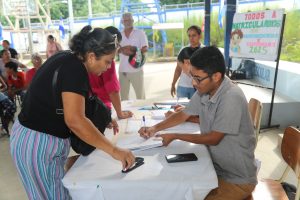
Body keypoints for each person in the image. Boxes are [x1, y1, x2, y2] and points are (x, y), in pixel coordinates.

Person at [10, 25, 135, 200]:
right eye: (107, 61)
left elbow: (71, 104)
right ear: (91, 56)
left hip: (33, 140)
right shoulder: (74, 69)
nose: (108, 67)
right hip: (37, 143)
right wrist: (114, 150)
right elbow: (75, 120)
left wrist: (102, 117)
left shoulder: (68, 58)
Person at [139, 46, 257, 200]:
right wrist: (154, 128)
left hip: (237, 178)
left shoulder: (231, 97)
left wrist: (176, 136)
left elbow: (214, 138)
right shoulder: (206, 89)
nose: (194, 83)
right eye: (192, 77)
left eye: (198, 78)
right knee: (175, 189)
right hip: (216, 168)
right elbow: (183, 114)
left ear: (216, 76)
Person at [89, 26, 133, 119]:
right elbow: (112, 90)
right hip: (101, 107)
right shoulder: (107, 60)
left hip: (88, 106)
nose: (108, 66)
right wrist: (120, 113)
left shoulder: (89, 55)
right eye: (118, 45)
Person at [118, 12, 148, 100]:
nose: (127, 22)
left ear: (133, 21)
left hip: (136, 69)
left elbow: (145, 48)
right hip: (123, 70)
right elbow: (116, 50)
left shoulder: (140, 33)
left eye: (129, 20)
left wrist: (133, 51)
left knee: (140, 96)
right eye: (125, 20)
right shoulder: (119, 35)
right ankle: (124, 113)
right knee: (123, 98)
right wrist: (123, 50)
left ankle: (143, 113)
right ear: (122, 22)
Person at [171, 25, 202, 99]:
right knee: (181, 109)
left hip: (199, 88)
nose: (191, 38)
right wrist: (173, 84)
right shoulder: (183, 50)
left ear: (200, 36)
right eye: (189, 36)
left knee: (196, 110)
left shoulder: (204, 50)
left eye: (194, 35)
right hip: (183, 87)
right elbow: (178, 70)